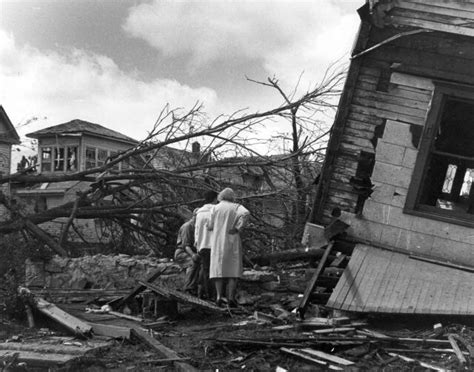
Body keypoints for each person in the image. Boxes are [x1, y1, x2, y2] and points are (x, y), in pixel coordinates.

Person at [208, 188, 250, 307]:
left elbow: (210, 225)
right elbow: (246, 213)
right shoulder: (236, 207)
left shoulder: (215, 208)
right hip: (232, 240)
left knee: (218, 271)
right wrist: (238, 227)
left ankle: (218, 297)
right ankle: (231, 298)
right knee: (233, 270)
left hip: (217, 241)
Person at [194, 190, 218, 299]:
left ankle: (202, 293)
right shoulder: (215, 211)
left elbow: (197, 230)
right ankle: (211, 295)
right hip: (213, 245)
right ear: (214, 199)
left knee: (205, 269)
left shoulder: (200, 213)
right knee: (213, 271)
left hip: (202, 244)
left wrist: (197, 244)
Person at [174, 210, 200, 294]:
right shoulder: (187, 226)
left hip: (190, 250)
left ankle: (199, 289)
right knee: (193, 262)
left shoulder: (197, 227)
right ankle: (188, 288)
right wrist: (193, 255)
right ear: (195, 216)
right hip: (182, 253)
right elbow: (186, 246)